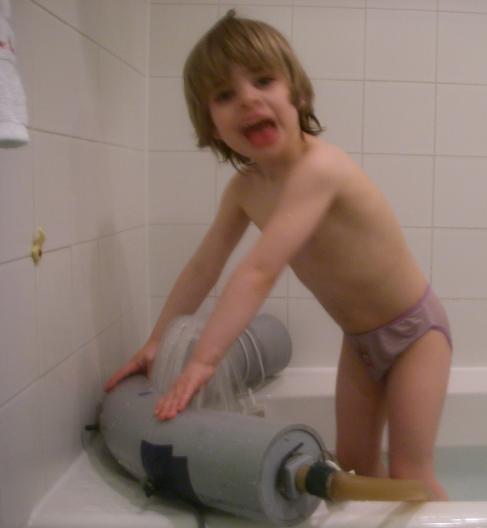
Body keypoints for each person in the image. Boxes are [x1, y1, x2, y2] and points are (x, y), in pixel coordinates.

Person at [104, 11, 452, 500]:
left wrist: (205, 360)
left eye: (263, 80)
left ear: (297, 94)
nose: (248, 98)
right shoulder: (244, 191)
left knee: (409, 473)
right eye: (225, 95)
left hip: (415, 335)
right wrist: (157, 340)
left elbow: (259, 270)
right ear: (211, 124)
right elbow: (204, 267)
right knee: (354, 467)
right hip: (360, 343)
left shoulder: (320, 168)